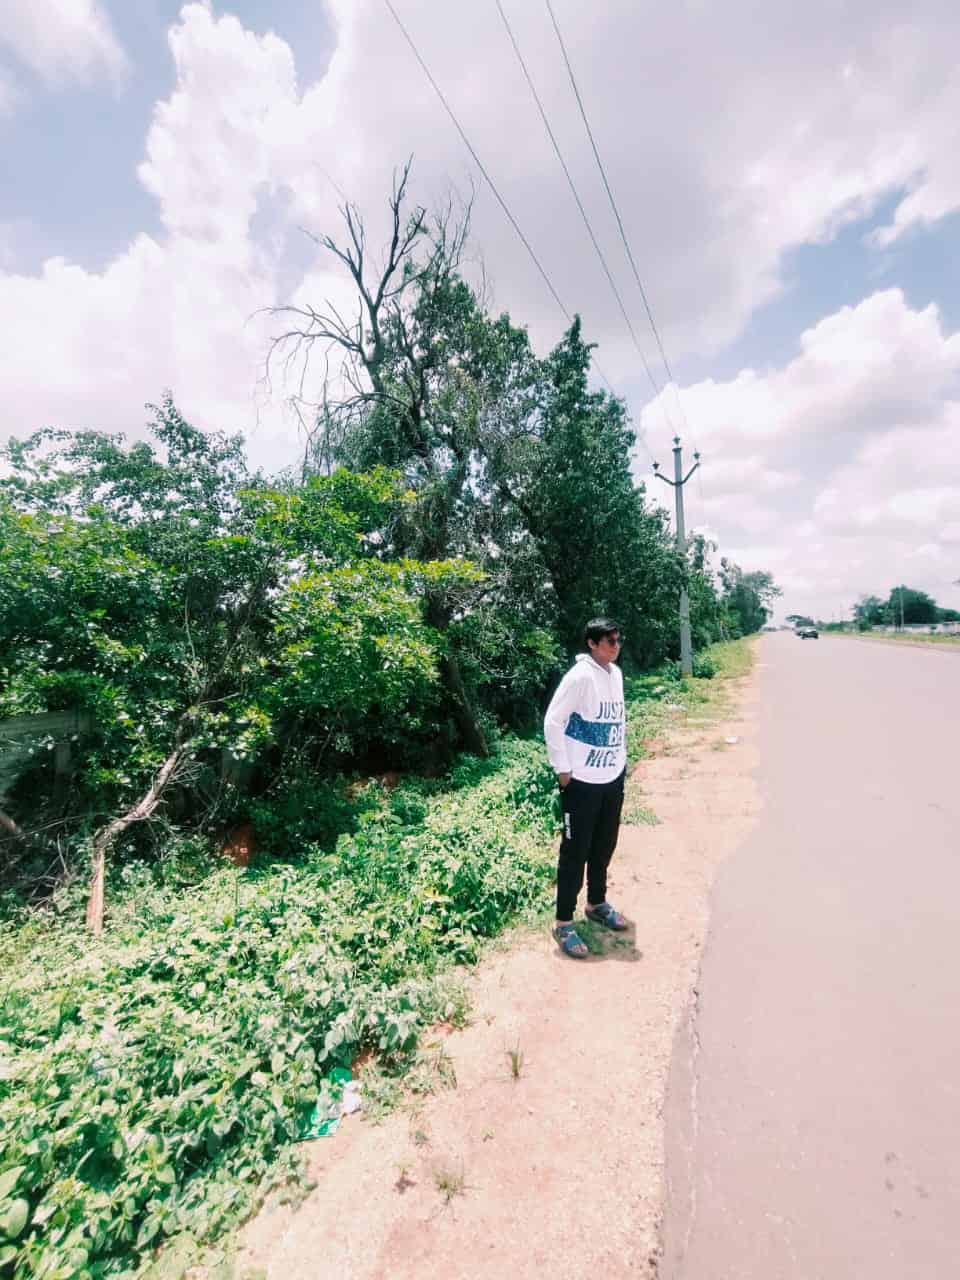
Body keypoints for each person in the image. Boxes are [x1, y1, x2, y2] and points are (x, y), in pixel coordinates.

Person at [543, 617, 629, 958]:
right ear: (592, 644)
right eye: (610, 641)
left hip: (612, 777)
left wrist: (621, 761)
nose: (616, 646)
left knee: (604, 844)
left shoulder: (616, 674)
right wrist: (563, 769)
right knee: (575, 852)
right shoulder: (579, 677)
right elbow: (553, 721)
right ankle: (564, 922)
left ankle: (596, 903)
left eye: (618, 640)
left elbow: (617, 720)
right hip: (581, 782)